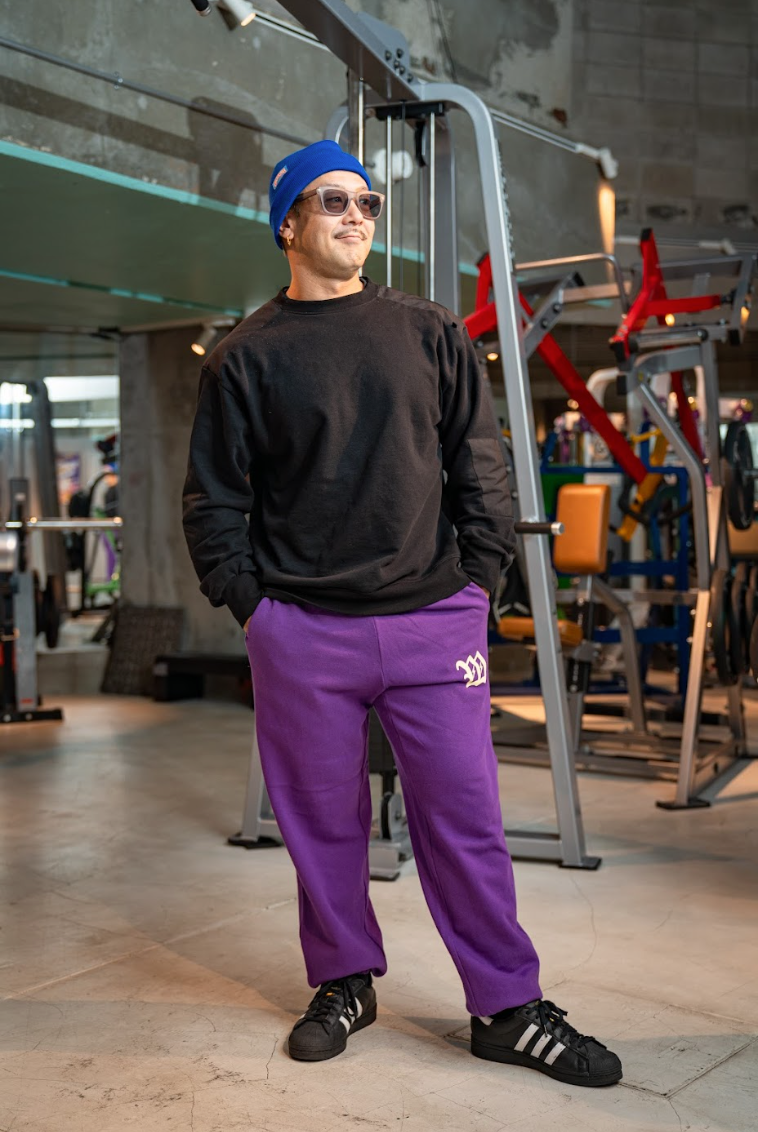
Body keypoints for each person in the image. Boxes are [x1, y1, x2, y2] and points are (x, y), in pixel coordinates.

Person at [182, 139, 622, 1088]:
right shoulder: (244, 359)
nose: (357, 216)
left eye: (368, 203)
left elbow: (481, 466)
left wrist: (476, 586)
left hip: (433, 619)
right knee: (321, 826)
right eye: (333, 201)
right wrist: (256, 611)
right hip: (302, 631)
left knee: (465, 819)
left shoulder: (428, 332)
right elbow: (213, 502)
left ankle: (506, 1006)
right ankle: (344, 981)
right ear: (287, 224)